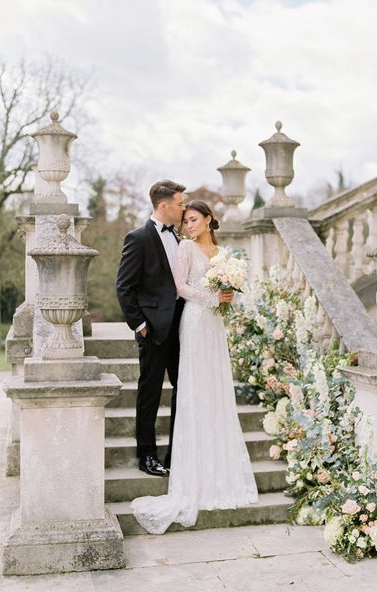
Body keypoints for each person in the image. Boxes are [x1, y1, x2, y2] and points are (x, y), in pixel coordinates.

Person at [131, 200, 258, 534]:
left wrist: (228, 294)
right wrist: (212, 298)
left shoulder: (223, 253)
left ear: (208, 220)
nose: (188, 225)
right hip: (195, 319)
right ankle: (193, 471)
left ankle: (220, 468)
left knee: (216, 389)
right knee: (194, 389)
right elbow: (180, 287)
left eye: (193, 219)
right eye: (185, 220)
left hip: (216, 325)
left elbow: (231, 289)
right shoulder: (185, 248)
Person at [116, 180, 186, 477]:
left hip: (184, 328)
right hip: (154, 330)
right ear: (164, 205)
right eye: (180, 204)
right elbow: (124, 287)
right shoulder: (138, 238)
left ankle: (176, 453)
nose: (184, 209)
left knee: (184, 392)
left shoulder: (181, 238)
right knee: (150, 392)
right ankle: (147, 455)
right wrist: (140, 325)